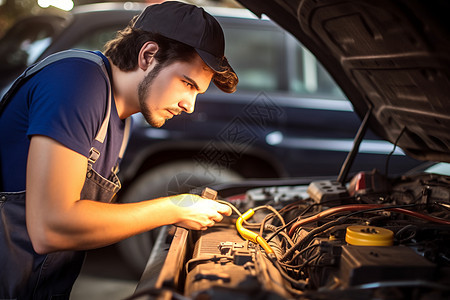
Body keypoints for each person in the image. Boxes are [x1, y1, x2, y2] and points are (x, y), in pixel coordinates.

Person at [0, 1, 238, 299]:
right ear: (149, 55)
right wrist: (175, 208)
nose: (189, 106)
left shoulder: (121, 117)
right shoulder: (77, 81)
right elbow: (51, 228)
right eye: (187, 83)